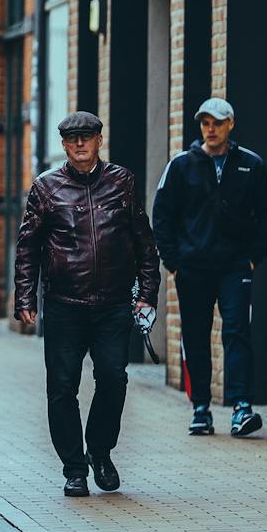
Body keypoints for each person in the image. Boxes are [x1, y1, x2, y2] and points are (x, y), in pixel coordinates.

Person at [14, 111, 159, 497]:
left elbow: (143, 241)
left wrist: (147, 292)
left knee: (113, 378)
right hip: (64, 305)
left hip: (112, 304)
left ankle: (100, 451)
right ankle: (74, 469)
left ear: (99, 140)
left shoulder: (122, 182)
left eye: (87, 136)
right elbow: (27, 247)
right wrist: (25, 296)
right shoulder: (46, 187)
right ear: (63, 144)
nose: (80, 143)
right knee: (62, 387)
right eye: (72, 138)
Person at [152, 97, 267, 438]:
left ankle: (241, 408)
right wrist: (173, 262)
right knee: (195, 336)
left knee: (237, 331)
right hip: (192, 267)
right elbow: (161, 215)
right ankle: (200, 408)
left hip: (235, 265)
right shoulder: (181, 165)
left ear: (230, 125)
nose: (210, 128)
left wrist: (253, 256)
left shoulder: (250, 164)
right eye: (205, 122)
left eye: (217, 122)